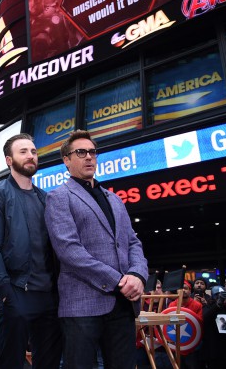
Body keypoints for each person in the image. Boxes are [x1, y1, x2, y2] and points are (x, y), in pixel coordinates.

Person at [45, 130, 148, 369]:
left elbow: (132, 242)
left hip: (122, 305)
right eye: (81, 152)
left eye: (92, 152)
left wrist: (138, 275)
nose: (89, 157)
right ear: (66, 160)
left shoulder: (114, 199)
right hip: (82, 306)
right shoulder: (58, 197)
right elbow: (69, 251)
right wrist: (119, 280)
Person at [0, 133, 63, 368]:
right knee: (11, 363)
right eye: (23, 152)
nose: (30, 156)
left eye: (33, 152)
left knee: (49, 363)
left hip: (49, 295)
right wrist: (5, 291)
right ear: (9, 160)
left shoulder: (45, 198)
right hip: (17, 292)